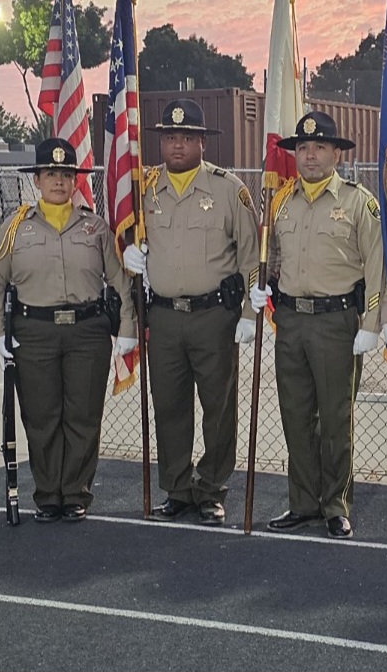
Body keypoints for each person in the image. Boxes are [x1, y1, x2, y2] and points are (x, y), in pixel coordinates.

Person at [248, 110, 387, 539]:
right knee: (295, 415)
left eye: (319, 147)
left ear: (337, 153)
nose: (310, 155)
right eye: (303, 147)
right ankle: (302, 502)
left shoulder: (359, 202)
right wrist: (258, 290)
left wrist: (371, 323)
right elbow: (266, 258)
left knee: (335, 418)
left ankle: (335, 504)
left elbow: (379, 268)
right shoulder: (280, 201)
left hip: (338, 321)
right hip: (291, 321)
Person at [120, 99, 258, 526]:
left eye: (186, 137)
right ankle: (177, 489)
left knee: (218, 407)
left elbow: (252, 257)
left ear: (202, 142)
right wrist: (127, 251)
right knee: (170, 406)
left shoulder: (227, 189)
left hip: (213, 316)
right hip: (162, 318)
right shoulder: (143, 190)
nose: (177, 145)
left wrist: (252, 315)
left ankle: (212, 489)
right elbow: (121, 234)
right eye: (170, 137)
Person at [0, 138, 134, 522]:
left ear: (75, 180)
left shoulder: (95, 227)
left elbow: (119, 281)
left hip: (87, 332)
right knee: (41, 416)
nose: (59, 182)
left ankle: (76, 492)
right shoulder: (15, 227)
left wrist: (129, 329)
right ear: (37, 180)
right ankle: (49, 493)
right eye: (51, 174)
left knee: (83, 416)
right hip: (34, 332)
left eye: (66, 174)